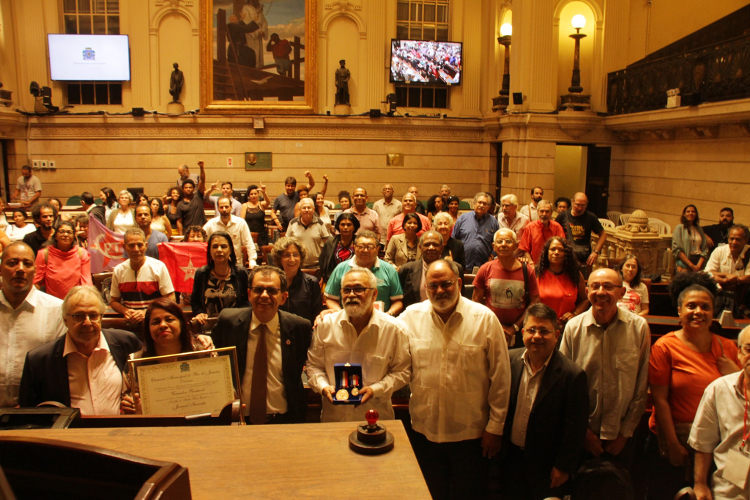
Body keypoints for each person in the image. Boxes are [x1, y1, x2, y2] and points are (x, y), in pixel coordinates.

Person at [399, 259, 510, 499]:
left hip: (470, 435)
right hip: (424, 430)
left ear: (459, 283)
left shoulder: (484, 319)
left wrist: (496, 428)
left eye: (446, 284)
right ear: (426, 288)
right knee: (429, 493)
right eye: (433, 286)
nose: (439, 291)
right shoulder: (410, 317)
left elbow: (501, 377)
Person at [648, 285, 740, 499]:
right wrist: (672, 444)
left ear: (713, 313)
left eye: (705, 307)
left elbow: (743, 394)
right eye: (691, 306)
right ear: (679, 311)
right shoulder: (665, 347)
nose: (698, 311)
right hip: (676, 440)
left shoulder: (728, 348)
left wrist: (734, 372)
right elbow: (660, 400)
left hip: (714, 445)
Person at [560, 268, 650, 471]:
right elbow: (564, 386)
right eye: (595, 286)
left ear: (622, 293)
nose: (601, 292)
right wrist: (584, 433)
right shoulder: (573, 328)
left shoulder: (639, 327)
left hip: (622, 436)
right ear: (587, 290)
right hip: (582, 435)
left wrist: (625, 433)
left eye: (609, 287)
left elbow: (641, 385)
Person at [501, 303, 589, 500]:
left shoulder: (572, 375)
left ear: (557, 335)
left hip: (547, 466)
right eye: (531, 330)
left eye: (544, 331)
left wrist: (563, 467)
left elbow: (575, 427)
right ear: (523, 333)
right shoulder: (509, 360)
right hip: (511, 460)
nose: (537, 336)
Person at [307, 268, 411, 421]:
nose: (351, 295)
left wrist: (375, 390)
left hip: (377, 418)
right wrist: (323, 387)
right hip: (333, 418)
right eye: (346, 290)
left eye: (358, 289)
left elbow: (402, 372)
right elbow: (313, 366)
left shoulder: (394, 329)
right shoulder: (325, 325)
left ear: (374, 294)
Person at [18, 286, 142, 415]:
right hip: (67, 434)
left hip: (121, 432)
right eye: (78, 316)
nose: (87, 323)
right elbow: (28, 417)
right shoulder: (39, 361)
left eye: (93, 315)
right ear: (65, 320)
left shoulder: (127, 343)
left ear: (101, 317)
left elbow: (146, 384)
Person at [213, 265, 312, 424]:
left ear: (283, 297)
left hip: (285, 420)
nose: (264, 295)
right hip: (238, 420)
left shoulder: (300, 328)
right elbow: (214, 359)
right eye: (258, 289)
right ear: (249, 294)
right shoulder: (228, 322)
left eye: (272, 291)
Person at [0, 242, 65, 408]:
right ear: (1, 268)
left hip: (35, 411)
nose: (20, 269)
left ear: (35, 271)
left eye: (27, 264)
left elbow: (60, 369)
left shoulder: (57, 310)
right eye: (12, 263)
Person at [688, 325, 750, 500]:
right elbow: (703, 442)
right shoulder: (719, 389)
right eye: (748, 349)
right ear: (739, 352)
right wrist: (700, 484)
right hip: (728, 493)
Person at [120, 298, 206, 414]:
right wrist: (133, 408)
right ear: (148, 329)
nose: (163, 325)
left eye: (169, 319)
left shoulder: (202, 354)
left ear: (181, 323)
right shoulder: (135, 362)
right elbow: (126, 407)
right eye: (155, 322)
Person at [473, 228, 540, 347]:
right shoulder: (485, 269)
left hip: (519, 331)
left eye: (508, 241)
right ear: (494, 246)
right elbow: (476, 302)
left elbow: (535, 301)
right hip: (490, 329)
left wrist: (515, 327)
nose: (503, 245)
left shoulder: (527, 271)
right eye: (500, 241)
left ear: (516, 246)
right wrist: (495, 325)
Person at [324, 231, 404, 316]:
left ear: (378, 249)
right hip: (347, 321)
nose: (365, 250)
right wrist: (341, 316)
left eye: (370, 247)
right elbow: (330, 298)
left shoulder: (389, 270)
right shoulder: (341, 268)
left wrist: (388, 315)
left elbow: (397, 301)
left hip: (381, 323)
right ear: (354, 247)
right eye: (361, 246)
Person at [110, 229, 176, 325]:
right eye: (131, 245)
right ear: (124, 247)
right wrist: (126, 311)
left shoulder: (159, 267)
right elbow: (114, 301)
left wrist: (146, 313)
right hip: (130, 322)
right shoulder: (118, 270)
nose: (136, 249)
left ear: (146, 246)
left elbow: (170, 298)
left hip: (154, 322)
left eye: (140, 245)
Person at [191, 231, 249, 325]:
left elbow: (248, 301)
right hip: (208, 324)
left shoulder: (241, 273)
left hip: (236, 324)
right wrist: (199, 313)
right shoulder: (201, 273)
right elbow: (195, 301)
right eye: (214, 246)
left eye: (223, 246)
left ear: (230, 250)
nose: (219, 250)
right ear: (209, 250)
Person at [398, 230, 464, 309]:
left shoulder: (455, 268)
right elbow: (400, 301)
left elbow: (462, 298)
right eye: (427, 244)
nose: (431, 248)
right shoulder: (406, 270)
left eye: (435, 244)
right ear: (420, 247)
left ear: (442, 248)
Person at [535, 236, 589, 326]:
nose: (556, 252)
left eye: (561, 250)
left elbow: (584, 301)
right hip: (542, 325)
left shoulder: (575, 274)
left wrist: (574, 314)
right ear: (547, 252)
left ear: (566, 254)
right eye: (553, 249)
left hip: (567, 326)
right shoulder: (537, 273)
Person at [33, 220, 92, 299]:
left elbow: (86, 282)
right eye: (62, 231)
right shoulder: (44, 254)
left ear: (74, 236)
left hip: (74, 302)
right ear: (56, 236)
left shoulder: (82, 253)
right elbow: (36, 281)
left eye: (69, 232)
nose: (65, 235)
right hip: (51, 302)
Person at [273, 237, 323, 327]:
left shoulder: (311, 282)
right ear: (279, 258)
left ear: (301, 257)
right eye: (287, 255)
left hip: (303, 332)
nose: (292, 259)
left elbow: (317, 314)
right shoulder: (272, 282)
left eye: (295, 255)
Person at [555, 192, 607, 274]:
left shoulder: (591, 217)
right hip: (565, 258)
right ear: (572, 202)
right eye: (577, 205)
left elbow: (603, 234)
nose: (580, 208)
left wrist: (596, 252)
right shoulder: (562, 216)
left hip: (584, 259)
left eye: (583, 205)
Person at [203, 196, 257, 269]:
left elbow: (249, 243)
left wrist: (252, 260)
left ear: (231, 207)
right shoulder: (211, 224)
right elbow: (202, 241)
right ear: (218, 208)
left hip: (236, 264)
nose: (224, 209)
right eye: (221, 207)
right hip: (215, 264)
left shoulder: (240, 223)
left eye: (226, 207)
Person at [452, 192, 499, 271]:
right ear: (474, 203)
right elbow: (454, 239)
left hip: (484, 265)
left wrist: (492, 256)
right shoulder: (463, 218)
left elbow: (497, 241)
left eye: (484, 203)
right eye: (479, 202)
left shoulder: (493, 222)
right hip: (464, 263)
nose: (481, 205)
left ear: (489, 206)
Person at [285, 198, 330, 269]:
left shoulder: (320, 223)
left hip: (316, 265)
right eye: (304, 208)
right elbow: (287, 243)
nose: (306, 210)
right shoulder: (292, 223)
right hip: (297, 265)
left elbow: (327, 244)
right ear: (300, 210)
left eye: (309, 208)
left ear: (313, 209)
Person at [517, 199, 565, 264]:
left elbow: (562, 247)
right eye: (541, 211)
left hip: (553, 265)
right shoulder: (530, 227)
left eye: (547, 211)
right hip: (534, 264)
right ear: (538, 212)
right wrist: (531, 263)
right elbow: (525, 249)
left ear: (551, 213)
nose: (544, 214)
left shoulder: (557, 227)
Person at [704, 224, 750, 291]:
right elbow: (708, 272)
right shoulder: (719, 251)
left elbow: (748, 277)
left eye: (738, 239)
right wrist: (726, 275)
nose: (734, 242)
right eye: (731, 239)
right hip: (721, 289)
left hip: (742, 291)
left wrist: (734, 280)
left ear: (746, 240)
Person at [318, 213, 359, 283]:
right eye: (342, 224)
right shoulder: (330, 242)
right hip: (333, 280)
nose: (345, 227)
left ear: (354, 227)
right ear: (338, 226)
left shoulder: (359, 242)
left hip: (355, 279)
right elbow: (323, 263)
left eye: (349, 225)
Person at [672, 204, 708, 273]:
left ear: (696, 214)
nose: (690, 213)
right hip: (685, 262)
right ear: (684, 214)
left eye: (693, 211)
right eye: (688, 211)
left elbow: (705, 249)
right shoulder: (679, 228)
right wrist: (691, 265)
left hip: (699, 261)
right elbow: (676, 250)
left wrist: (698, 266)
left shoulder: (699, 229)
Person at [176, 161, 207, 233]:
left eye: (190, 187)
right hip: (188, 232)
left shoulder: (198, 196)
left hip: (201, 231)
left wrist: (201, 167)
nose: (188, 189)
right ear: (182, 189)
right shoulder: (180, 204)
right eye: (186, 187)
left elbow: (203, 180)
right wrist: (181, 236)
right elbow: (179, 221)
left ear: (193, 189)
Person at [240, 184, 272, 248]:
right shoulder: (244, 205)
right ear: (249, 195)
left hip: (261, 235)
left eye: (255, 194)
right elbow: (242, 221)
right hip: (249, 234)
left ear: (258, 194)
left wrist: (264, 193)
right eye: (251, 194)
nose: (253, 196)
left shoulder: (261, 204)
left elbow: (268, 202)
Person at [372, 184, 402, 248]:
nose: (387, 190)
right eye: (385, 189)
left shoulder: (399, 205)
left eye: (389, 189)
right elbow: (373, 220)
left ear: (393, 192)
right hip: (380, 238)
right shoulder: (377, 204)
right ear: (382, 192)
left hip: (394, 237)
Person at [241, 0, 268, 69]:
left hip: (259, 35)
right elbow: (246, 21)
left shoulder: (259, 9)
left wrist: (263, 31)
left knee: (258, 56)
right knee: (252, 53)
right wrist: (258, 31)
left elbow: (264, 22)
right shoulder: (246, 8)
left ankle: (258, 69)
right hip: (251, 34)